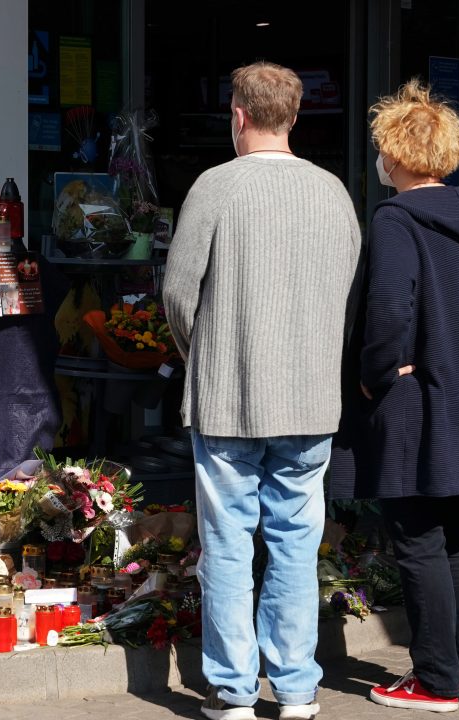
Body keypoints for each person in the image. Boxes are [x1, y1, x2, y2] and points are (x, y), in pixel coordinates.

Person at [163, 61, 362, 720]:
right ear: (294, 117)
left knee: (226, 549)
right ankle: (299, 691)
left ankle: (234, 694)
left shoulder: (215, 186)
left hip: (228, 400)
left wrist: (204, 356)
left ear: (238, 116)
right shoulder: (334, 192)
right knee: (296, 551)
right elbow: (345, 294)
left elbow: (177, 296)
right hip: (309, 399)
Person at [329, 80, 459, 713]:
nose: (379, 161)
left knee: (415, 536)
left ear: (400, 156)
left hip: (415, 400)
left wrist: (374, 373)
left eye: (384, 149)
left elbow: (390, 305)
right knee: (458, 534)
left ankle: (435, 681)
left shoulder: (396, 218)